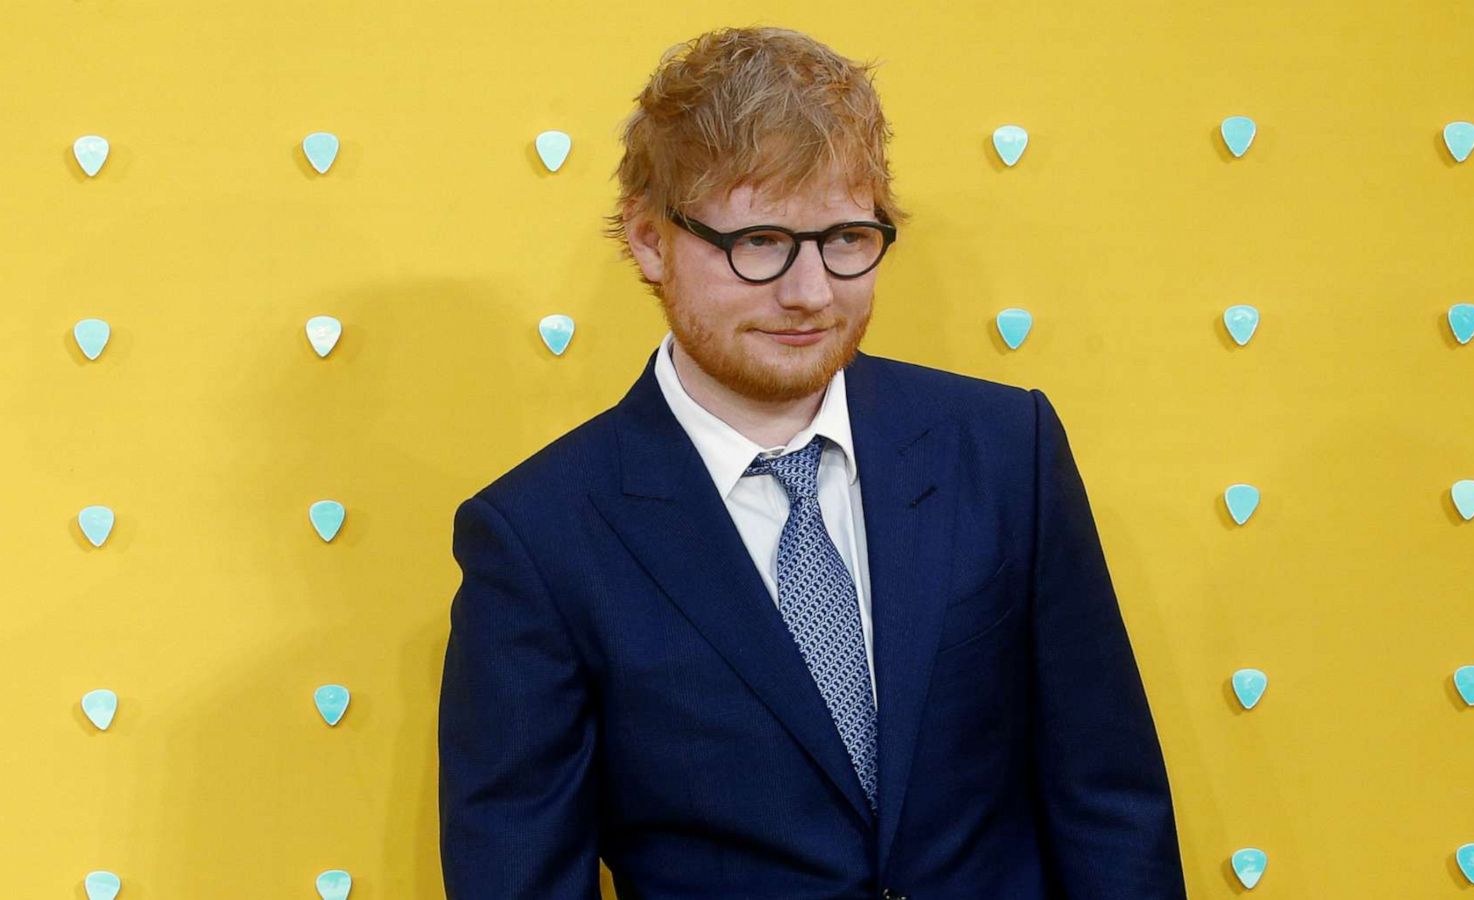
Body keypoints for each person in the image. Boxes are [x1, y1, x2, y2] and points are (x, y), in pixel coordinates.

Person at [437, 25, 1186, 900]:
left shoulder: (1003, 448)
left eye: (846, 238)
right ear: (648, 241)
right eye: (759, 243)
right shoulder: (538, 538)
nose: (810, 292)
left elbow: (1110, 800)